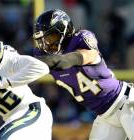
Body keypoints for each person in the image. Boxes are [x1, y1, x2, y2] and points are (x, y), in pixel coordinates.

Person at [32, 9, 134, 140]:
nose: (47, 44)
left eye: (50, 37)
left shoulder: (81, 39)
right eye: (43, 40)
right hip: (105, 117)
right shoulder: (45, 56)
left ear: (64, 30)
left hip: (125, 103)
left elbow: (73, 58)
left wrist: (45, 61)